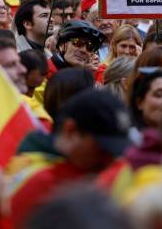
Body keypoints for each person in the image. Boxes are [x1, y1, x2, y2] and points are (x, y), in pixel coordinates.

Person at [8, 89, 131, 226]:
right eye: (102, 149)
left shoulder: (106, 172)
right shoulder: (36, 181)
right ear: (70, 131)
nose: (109, 159)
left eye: (115, 151)